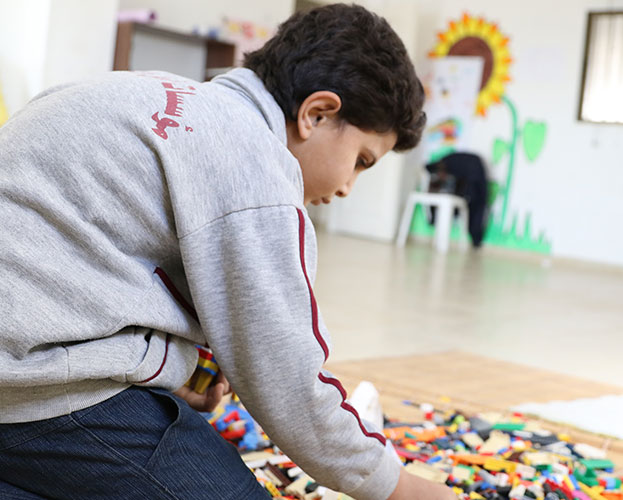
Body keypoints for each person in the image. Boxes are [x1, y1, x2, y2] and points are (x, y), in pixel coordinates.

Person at [0, 4, 455, 500]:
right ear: (317, 113)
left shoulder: (147, 92)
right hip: (29, 386)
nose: (348, 186)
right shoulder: (251, 161)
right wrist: (398, 486)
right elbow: (286, 376)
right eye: (361, 161)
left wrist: (171, 367)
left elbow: (83, 267)